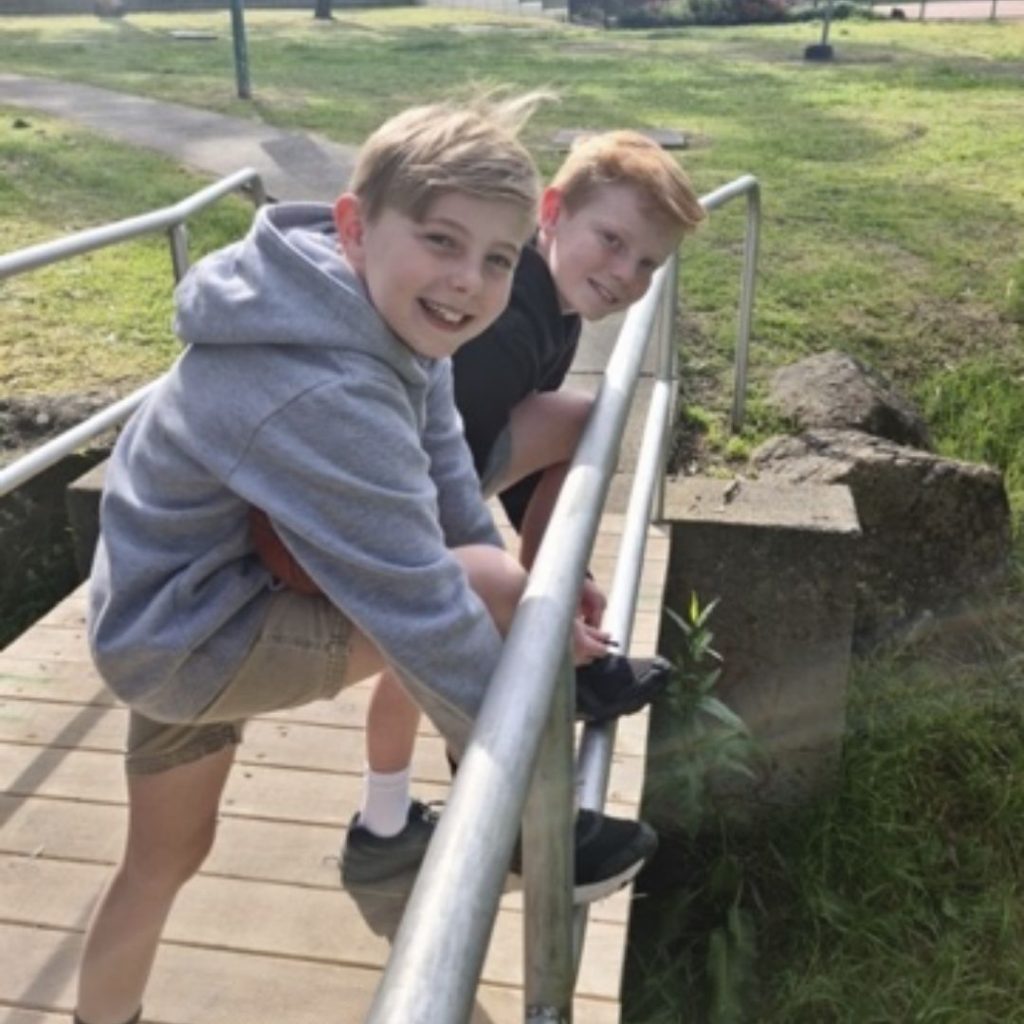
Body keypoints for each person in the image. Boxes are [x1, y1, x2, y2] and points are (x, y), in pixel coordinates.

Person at [75, 95, 658, 1024]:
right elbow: (420, 605)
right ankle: (514, 827)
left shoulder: (369, 309)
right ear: (354, 225)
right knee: (486, 593)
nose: (468, 281)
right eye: (440, 240)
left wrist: (506, 581)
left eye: (499, 258)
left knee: (163, 861)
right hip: (191, 638)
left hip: (168, 609)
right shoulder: (322, 383)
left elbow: (447, 487)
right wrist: (528, 797)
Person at [339, 131, 706, 886]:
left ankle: (385, 822)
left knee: (581, 417)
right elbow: (434, 477)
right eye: (611, 241)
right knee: (449, 648)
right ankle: (504, 815)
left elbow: (496, 446)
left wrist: (543, 582)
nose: (626, 274)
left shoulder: (553, 305)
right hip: (382, 497)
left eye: (647, 264)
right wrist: (500, 601)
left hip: (439, 471)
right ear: (553, 214)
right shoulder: (507, 321)